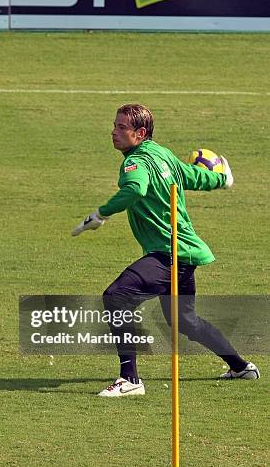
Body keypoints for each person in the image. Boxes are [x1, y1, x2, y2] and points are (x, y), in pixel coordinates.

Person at [72, 104, 260, 397]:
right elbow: (193, 176)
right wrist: (222, 179)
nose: (114, 132)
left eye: (122, 128)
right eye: (115, 126)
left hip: (167, 256)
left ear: (140, 133)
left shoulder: (135, 163)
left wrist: (101, 214)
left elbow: (135, 189)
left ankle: (129, 380)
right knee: (185, 322)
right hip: (184, 255)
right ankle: (241, 367)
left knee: (116, 297)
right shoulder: (163, 154)